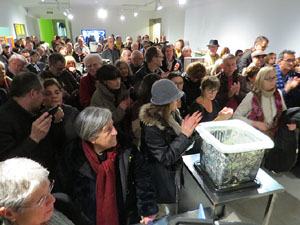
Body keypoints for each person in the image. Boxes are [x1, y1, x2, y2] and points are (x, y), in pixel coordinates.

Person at [58, 107, 158, 225]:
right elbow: (64, 191)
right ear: (92, 138)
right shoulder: (72, 157)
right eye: (108, 130)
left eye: (113, 125)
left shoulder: (127, 149)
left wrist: (148, 210)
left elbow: (143, 179)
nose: (115, 132)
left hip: (127, 217)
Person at [140, 79, 202, 217]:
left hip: (172, 175)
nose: (179, 100)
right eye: (176, 98)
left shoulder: (173, 115)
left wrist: (190, 132)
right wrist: (185, 135)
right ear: (167, 103)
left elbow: (183, 141)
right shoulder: (152, 127)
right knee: (164, 214)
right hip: (160, 181)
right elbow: (165, 158)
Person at [233, 66, 297, 172]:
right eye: (269, 78)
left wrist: (291, 124)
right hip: (254, 139)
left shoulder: (278, 94)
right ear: (261, 80)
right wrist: (255, 123)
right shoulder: (252, 96)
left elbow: (284, 114)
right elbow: (236, 116)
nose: (273, 81)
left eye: (274, 77)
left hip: (273, 137)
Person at [0, 72, 63, 178]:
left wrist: (56, 123)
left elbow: (53, 145)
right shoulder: (3, 119)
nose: (43, 98)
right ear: (33, 93)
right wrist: (33, 139)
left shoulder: (36, 112)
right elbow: (6, 163)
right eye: (42, 93)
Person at [0, 158, 74, 225]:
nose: (52, 200)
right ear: (9, 213)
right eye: (40, 200)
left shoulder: (63, 204)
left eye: (49, 190)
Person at [90, 65, 132, 147]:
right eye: (113, 79)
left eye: (118, 78)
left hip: (124, 130)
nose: (117, 81)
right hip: (108, 136)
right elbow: (105, 122)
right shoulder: (98, 97)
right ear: (105, 81)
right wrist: (121, 109)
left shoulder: (121, 89)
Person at [42, 78, 79, 155]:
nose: (54, 96)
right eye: (48, 94)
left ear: (62, 93)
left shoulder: (72, 112)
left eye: (57, 92)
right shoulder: (41, 116)